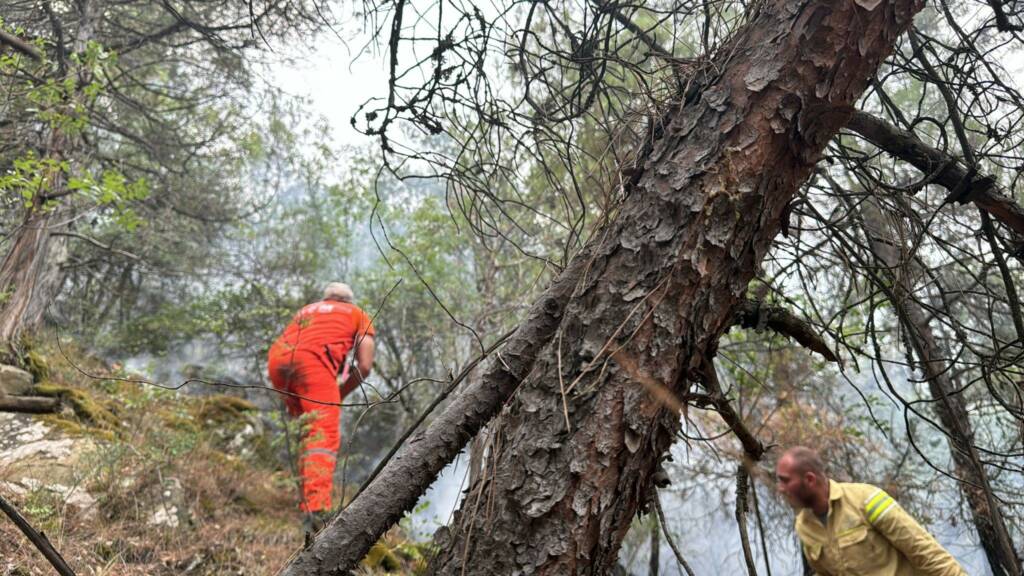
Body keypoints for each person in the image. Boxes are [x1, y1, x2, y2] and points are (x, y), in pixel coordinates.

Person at [268, 282, 375, 530]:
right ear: (348, 301)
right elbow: (365, 366)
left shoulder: (307, 310)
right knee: (322, 435)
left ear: (326, 298)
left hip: (278, 361)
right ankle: (316, 510)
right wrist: (339, 393)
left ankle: (301, 491)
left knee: (305, 430)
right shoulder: (357, 314)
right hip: (312, 365)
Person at [775, 446, 967, 576]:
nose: (780, 489)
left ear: (809, 480)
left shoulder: (866, 500)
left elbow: (925, 551)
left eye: (785, 480)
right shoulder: (804, 527)